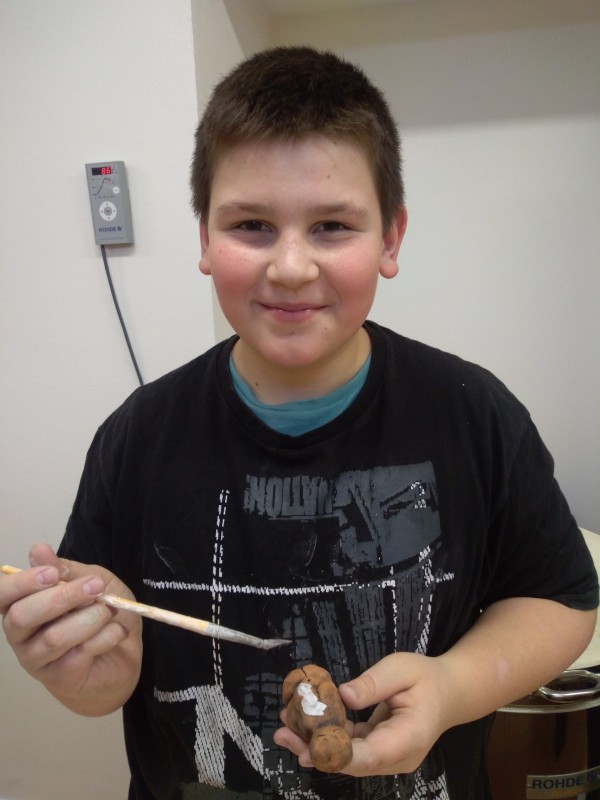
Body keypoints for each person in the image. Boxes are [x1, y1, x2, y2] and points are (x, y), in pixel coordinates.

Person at [1, 46, 597, 800]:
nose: (289, 267)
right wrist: (86, 673)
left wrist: (451, 687)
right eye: (251, 224)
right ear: (204, 239)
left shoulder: (472, 413)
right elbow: (102, 686)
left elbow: (561, 601)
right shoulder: (137, 438)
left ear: (390, 240)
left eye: (332, 226)